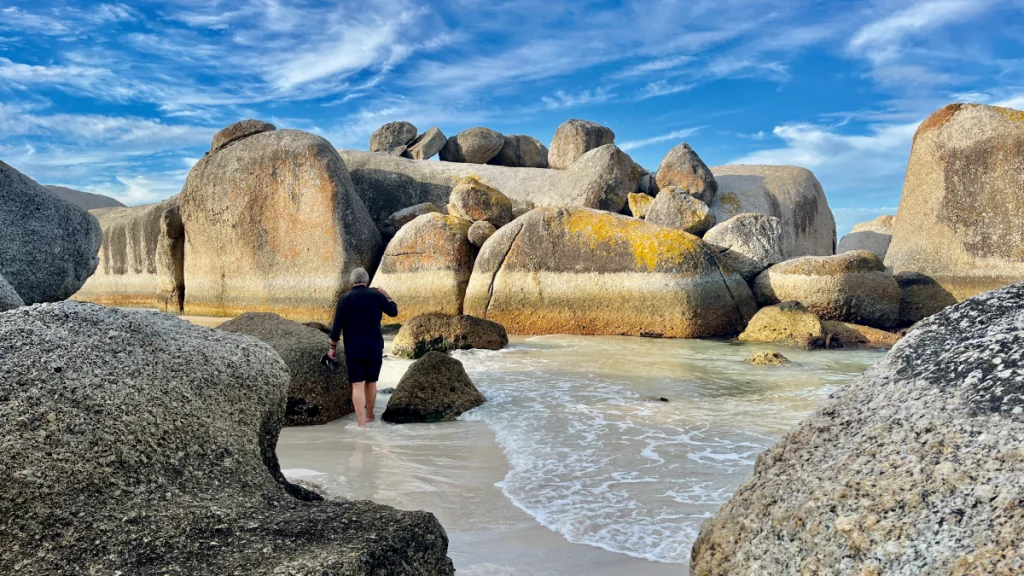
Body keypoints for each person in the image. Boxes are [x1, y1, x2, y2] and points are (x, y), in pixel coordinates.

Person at [327, 267, 398, 428]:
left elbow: (337, 326)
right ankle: (370, 414)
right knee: (371, 382)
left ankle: (361, 424)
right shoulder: (376, 296)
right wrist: (387, 295)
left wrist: (332, 347)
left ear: (352, 282)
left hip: (354, 348)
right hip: (374, 347)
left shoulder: (344, 299)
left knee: (357, 385)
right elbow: (393, 312)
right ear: (366, 281)